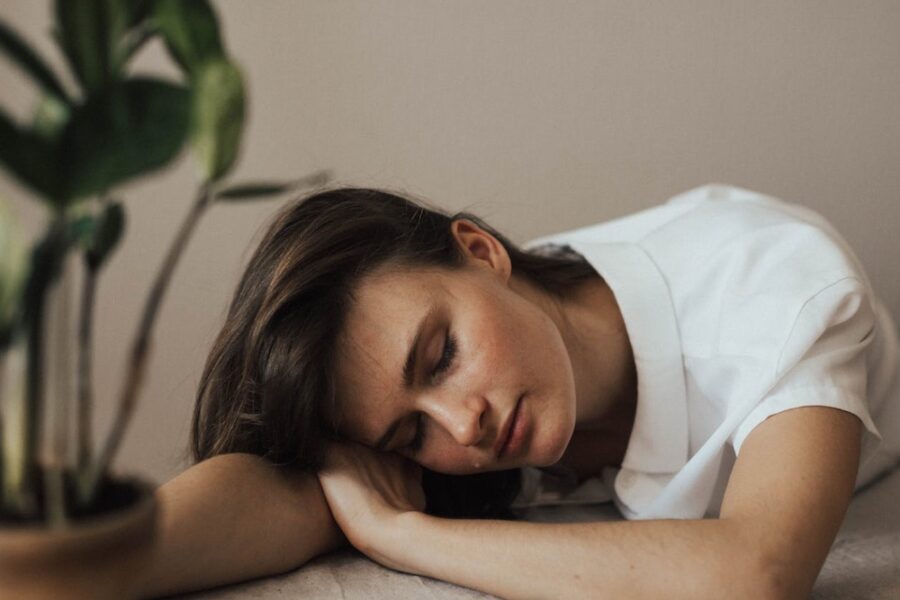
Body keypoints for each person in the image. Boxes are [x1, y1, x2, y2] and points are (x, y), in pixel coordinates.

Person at [138, 184, 900, 599]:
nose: (460, 428)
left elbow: (756, 575)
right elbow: (284, 489)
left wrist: (405, 536)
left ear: (480, 250)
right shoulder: (468, 406)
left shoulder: (774, 284)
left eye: (440, 358)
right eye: (409, 436)